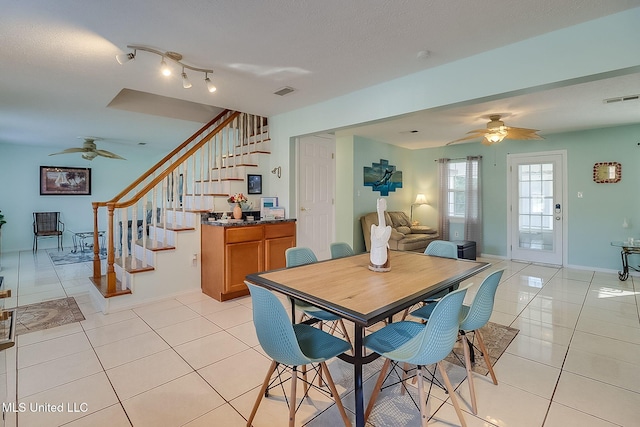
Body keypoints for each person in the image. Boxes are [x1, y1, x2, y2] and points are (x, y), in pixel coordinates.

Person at [369, 197, 391, 272]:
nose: (378, 206)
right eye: (378, 205)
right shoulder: (374, 228)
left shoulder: (384, 229)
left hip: (380, 263)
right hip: (376, 263)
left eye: (381, 204)